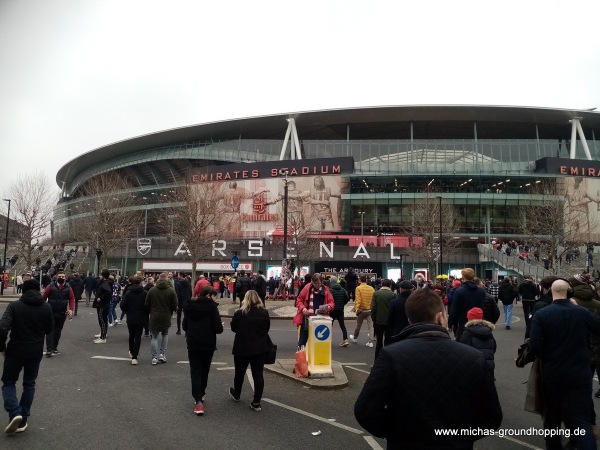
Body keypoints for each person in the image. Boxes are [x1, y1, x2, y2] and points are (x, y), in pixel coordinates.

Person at [355, 288, 502, 448]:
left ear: (410, 320)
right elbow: (491, 415)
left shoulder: (391, 355)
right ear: (440, 317)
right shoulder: (474, 357)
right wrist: (462, 436)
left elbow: (365, 409)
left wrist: (396, 432)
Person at [530, 279, 600, 449]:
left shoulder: (542, 314)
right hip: (579, 371)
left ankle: (554, 445)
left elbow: (535, 346)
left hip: (553, 372)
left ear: (551, 292)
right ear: (569, 292)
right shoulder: (582, 312)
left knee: (552, 415)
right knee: (581, 417)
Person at [0, 279, 53, 434]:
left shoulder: (15, 306)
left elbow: (3, 327)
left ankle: (14, 412)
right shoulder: (46, 307)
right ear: (38, 290)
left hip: (15, 349)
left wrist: (1, 346)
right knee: (29, 384)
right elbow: (50, 328)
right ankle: (23, 418)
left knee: (9, 381)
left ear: (23, 290)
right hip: (35, 350)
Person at [183, 286, 223, 415]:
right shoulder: (212, 308)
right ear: (209, 295)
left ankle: (198, 400)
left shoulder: (189, 306)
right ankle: (202, 393)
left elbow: (184, 326)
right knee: (205, 370)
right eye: (213, 295)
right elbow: (218, 328)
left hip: (193, 343)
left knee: (195, 371)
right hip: (208, 343)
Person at [229, 290, 270, 412]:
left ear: (245, 299)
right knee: (258, 375)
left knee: (239, 373)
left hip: (242, 347)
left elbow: (233, 328)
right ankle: (256, 401)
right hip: (259, 348)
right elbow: (266, 328)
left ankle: (237, 393)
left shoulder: (239, 313)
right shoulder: (264, 313)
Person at [145, 272, 178, 365]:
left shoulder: (152, 290)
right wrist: (171, 311)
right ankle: (162, 354)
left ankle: (154, 357)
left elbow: (146, 304)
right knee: (165, 334)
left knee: (154, 337)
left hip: (154, 315)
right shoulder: (171, 290)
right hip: (166, 315)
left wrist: (151, 310)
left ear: (158, 279)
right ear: (167, 279)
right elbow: (175, 304)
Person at [293, 274, 334, 347]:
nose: (317, 285)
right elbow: (299, 300)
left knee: (319, 341)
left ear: (322, 282)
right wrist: (303, 308)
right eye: (315, 283)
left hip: (321, 318)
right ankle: (301, 355)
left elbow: (331, 302)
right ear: (312, 282)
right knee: (303, 340)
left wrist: (329, 307)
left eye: (319, 283)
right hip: (307, 318)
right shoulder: (307, 288)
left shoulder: (325, 289)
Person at [42, 271, 74, 356]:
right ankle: (49, 349)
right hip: (51, 312)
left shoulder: (68, 288)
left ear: (65, 278)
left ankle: (54, 347)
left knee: (58, 331)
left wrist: (71, 309)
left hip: (62, 313)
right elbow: (44, 297)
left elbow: (71, 299)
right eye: (59, 276)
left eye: (63, 276)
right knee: (50, 330)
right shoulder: (50, 286)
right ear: (56, 277)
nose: (61, 278)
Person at [448, 268, 485, 341]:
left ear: (463, 277)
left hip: (463, 323)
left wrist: (450, 323)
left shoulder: (459, 291)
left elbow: (454, 310)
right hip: (478, 322)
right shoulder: (481, 291)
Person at [459, 307, 497, 378]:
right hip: (488, 366)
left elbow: (462, 348)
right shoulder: (489, 333)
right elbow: (494, 347)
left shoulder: (467, 333)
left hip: (472, 367)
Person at [119, 275, 148, 365]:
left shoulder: (128, 292)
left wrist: (127, 311)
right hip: (141, 316)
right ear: (140, 283)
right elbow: (148, 305)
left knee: (131, 335)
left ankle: (131, 352)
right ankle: (135, 356)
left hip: (130, 316)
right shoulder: (144, 293)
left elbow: (122, 304)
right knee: (138, 336)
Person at [370, 279, 395, 361]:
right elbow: (394, 308)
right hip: (390, 321)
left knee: (379, 342)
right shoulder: (393, 295)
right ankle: (388, 360)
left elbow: (373, 308)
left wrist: (374, 318)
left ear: (381, 284)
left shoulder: (376, 293)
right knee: (388, 342)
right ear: (390, 285)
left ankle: (377, 360)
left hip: (379, 321)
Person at [349, 275, 376, 347]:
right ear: (366, 280)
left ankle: (355, 338)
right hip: (370, 310)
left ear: (360, 280)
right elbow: (373, 299)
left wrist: (357, 308)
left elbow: (358, 299)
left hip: (362, 310)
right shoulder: (371, 288)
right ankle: (370, 341)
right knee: (371, 326)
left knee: (358, 324)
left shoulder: (358, 288)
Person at [328, 276, 349, 346]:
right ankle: (345, 339)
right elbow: (347, 298)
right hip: (340, 309)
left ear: (331, 282)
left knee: (330, 325)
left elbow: (328, 299)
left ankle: (327, 339)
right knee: (342, 325)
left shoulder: (330, 290)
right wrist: (343, 303)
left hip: (332, 310)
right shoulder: (342, 289)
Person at [92, 270, 113, 343]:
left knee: (102, 320)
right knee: (103, 320)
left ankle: (103, 337)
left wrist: (100, 297)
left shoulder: (105, 283)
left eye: (101, 275)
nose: (99, 276)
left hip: (102, 304)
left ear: (103, 276)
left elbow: (108, 292)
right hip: (103, 304)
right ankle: (103, 334)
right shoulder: (105, 282)